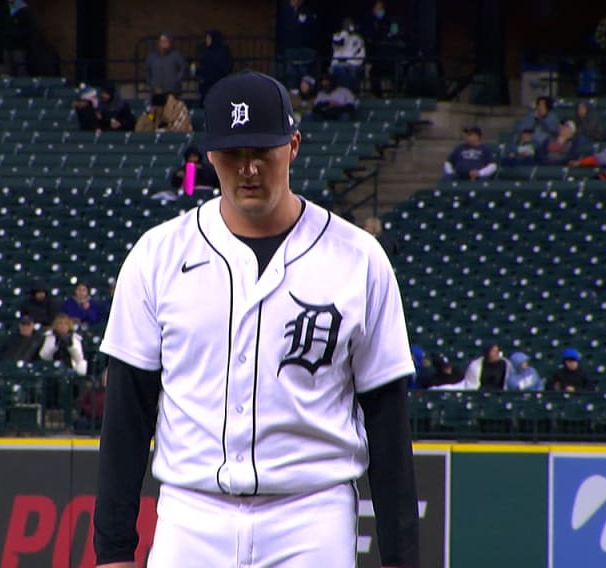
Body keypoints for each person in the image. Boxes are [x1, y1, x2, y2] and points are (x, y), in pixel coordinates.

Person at [93, 70, 419, 568]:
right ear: (209, 156)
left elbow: (388, 424)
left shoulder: (360, 259)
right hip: (190, 513)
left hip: (312, 515)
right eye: (233, 154)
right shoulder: (157, 255)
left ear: (292, 146)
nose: (248, 169)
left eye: (261, 152)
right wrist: (113, 552)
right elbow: (126, 416)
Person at [361, 0, 403, 97]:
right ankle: (378, 95)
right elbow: (370, 39)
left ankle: (396, 94)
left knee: (396, 70)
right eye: (377, 8)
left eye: (381, 8)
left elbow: (394, 35)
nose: (380, 11)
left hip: (390, 56)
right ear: (373, 10)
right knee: (374, 72)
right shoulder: (370, 23)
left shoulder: (388, 22)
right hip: (376, 57)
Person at [277, 0, 319, 88]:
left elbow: (311, 29)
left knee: (304, 70)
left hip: (304, 48)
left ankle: (304, 90)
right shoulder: (285, 12)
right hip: (290, 48)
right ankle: (293, 88)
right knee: (290, 70)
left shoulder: (307, 12)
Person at [144, 33, 187, 97]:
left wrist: (176, 81)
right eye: (161, 41)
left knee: (171, 107)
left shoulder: (176, 55)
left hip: (172, 91)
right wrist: (151, 83)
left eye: (165, 41)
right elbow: (146, 70)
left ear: (170, 42)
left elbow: (183, 68)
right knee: (159, 106)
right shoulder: (152, 56)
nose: (163, 43)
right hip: (157, 90)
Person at [329, 18, 366, 93]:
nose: (348, 26)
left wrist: (351, 63)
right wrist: (345, 34)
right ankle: (344, 93)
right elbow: (338, 45)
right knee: (340, 69)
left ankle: (350, 94)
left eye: (349, 24)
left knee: (352, 72)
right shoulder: (338, 35)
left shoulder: (358, 38)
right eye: (346, 25)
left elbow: (360, 54)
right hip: (338, 65)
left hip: (353, 65)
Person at [196, 30, 232, 102]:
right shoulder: (206, 51)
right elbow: (204, 65)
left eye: (209, 38)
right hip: (206, 84)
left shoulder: (222, 51)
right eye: (206, 38)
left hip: (217, 83)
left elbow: (225, 67)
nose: (207, 40)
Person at [3, 0, 32, 76]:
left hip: (19, 46)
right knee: (8, 70)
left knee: (21, 69)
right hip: (7, 45)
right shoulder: (5, 10)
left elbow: (27, 29)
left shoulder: (24, 10)